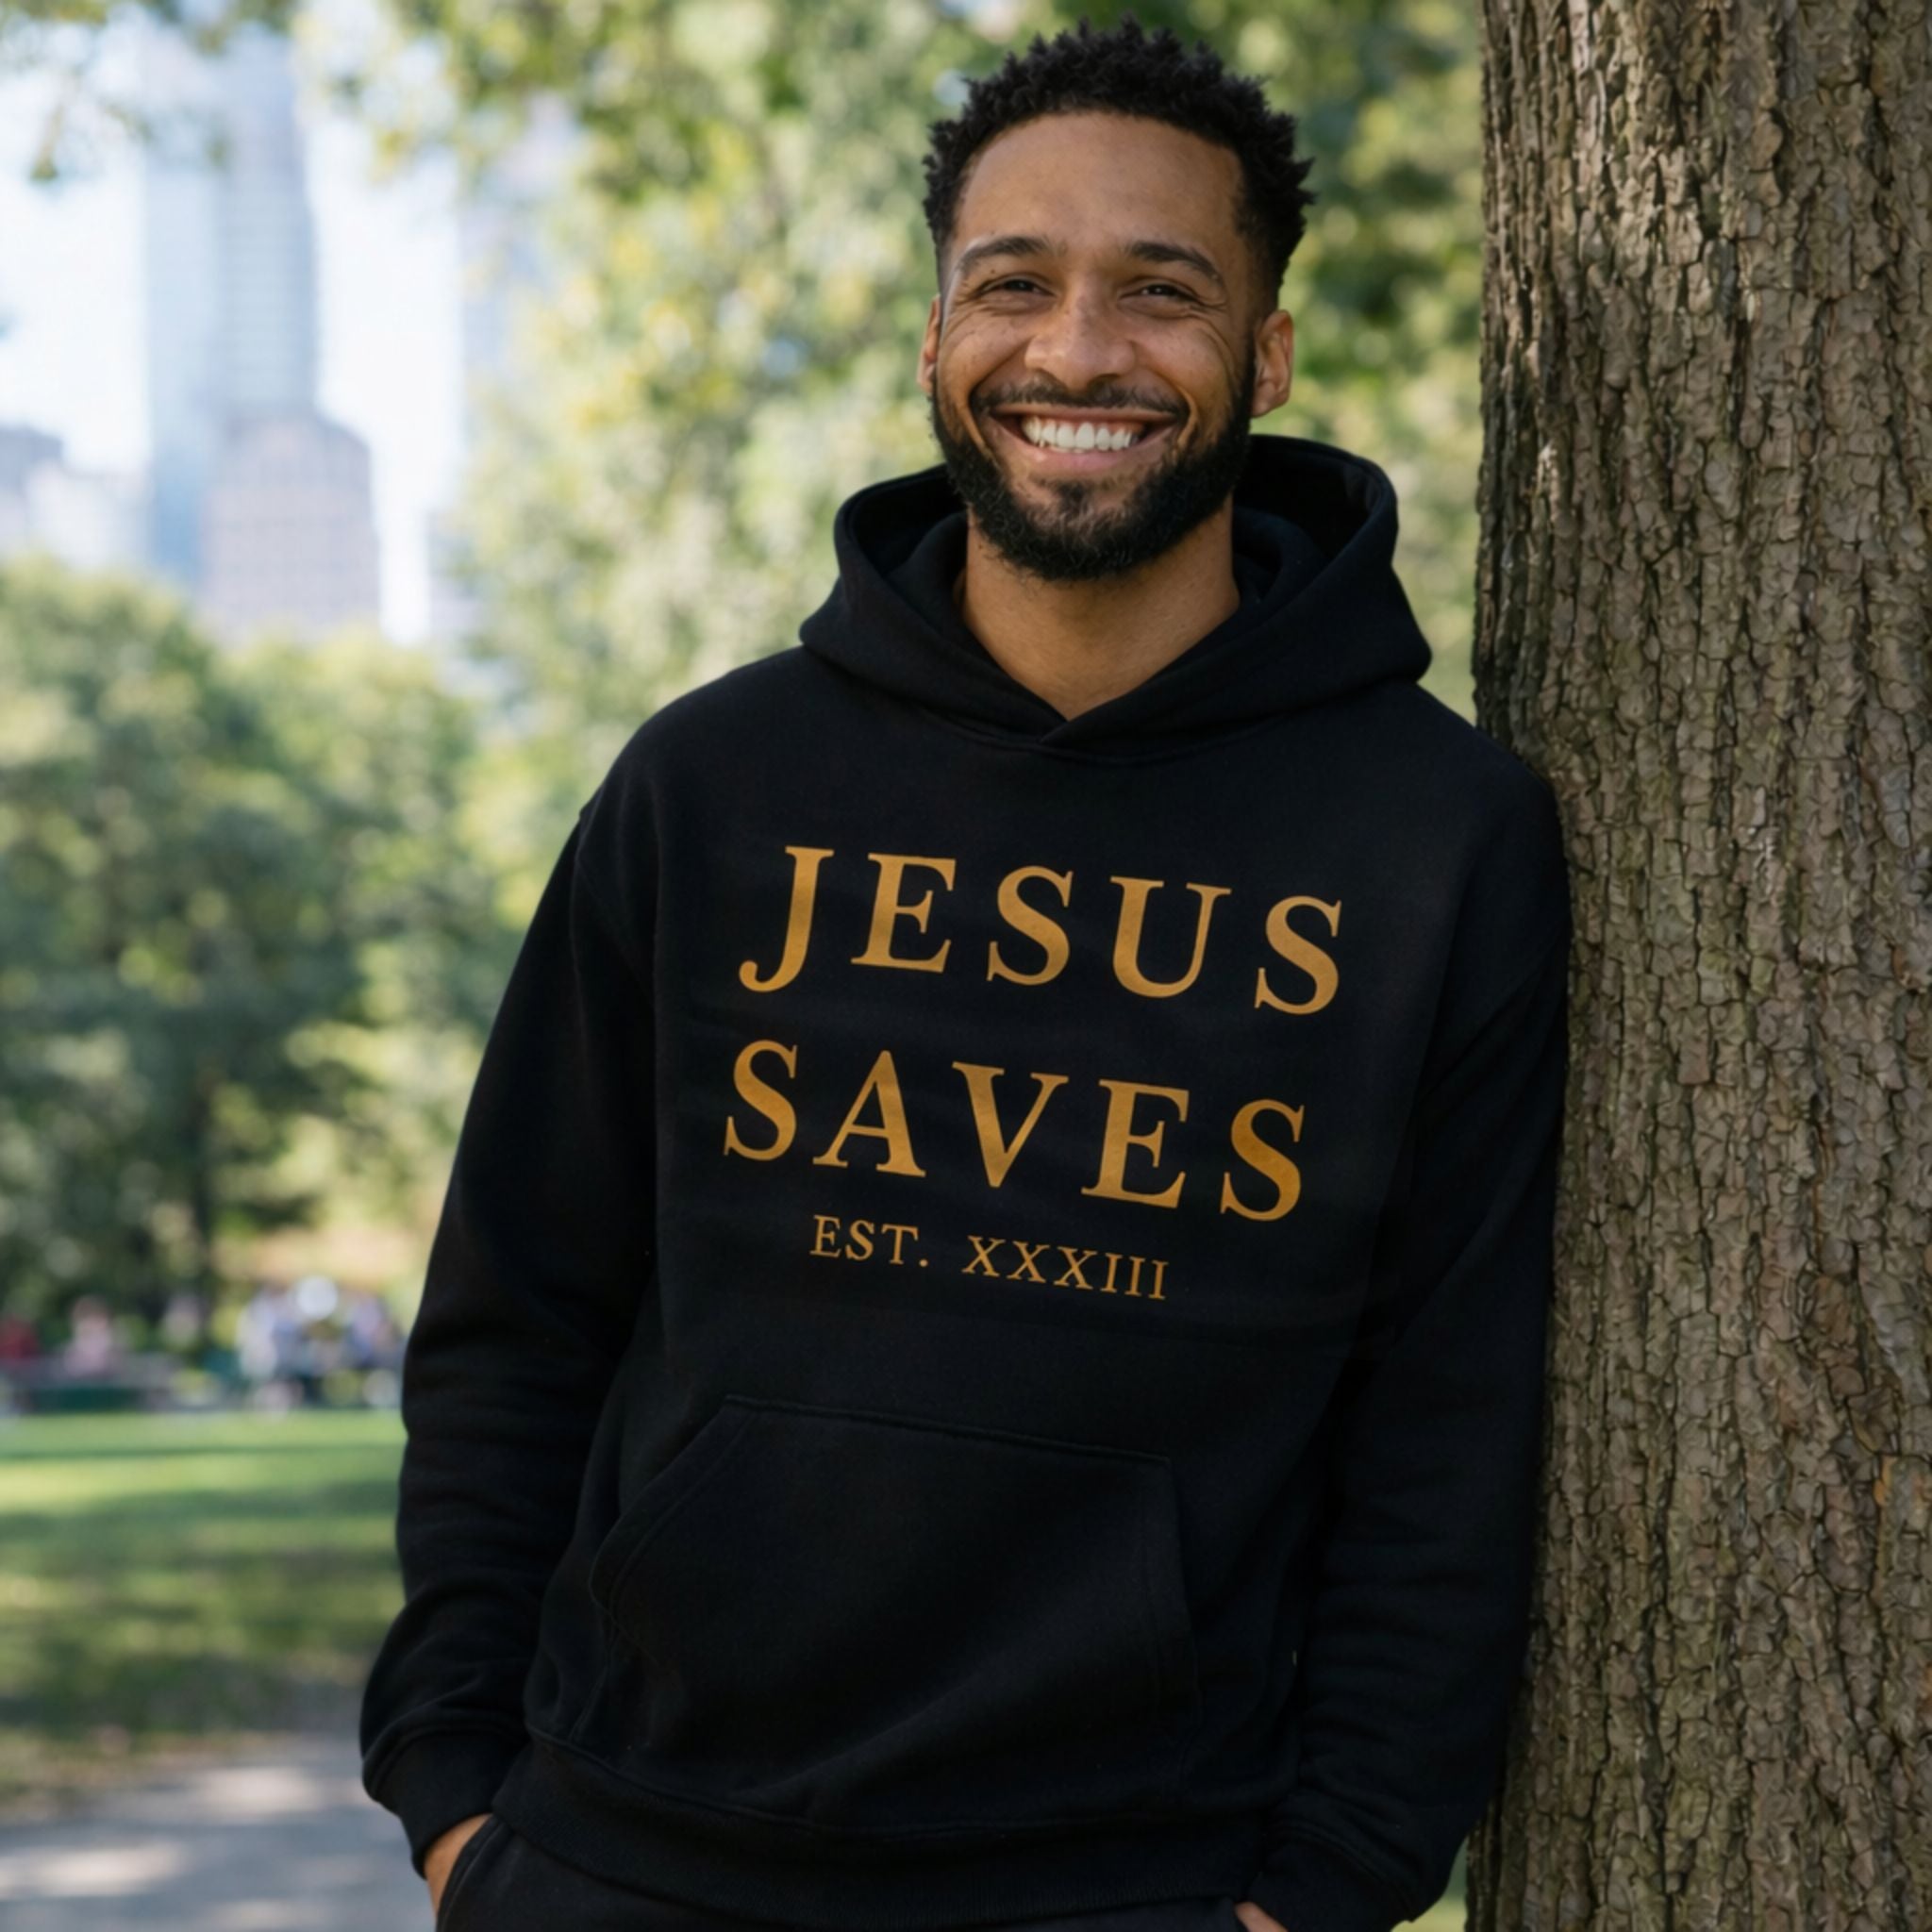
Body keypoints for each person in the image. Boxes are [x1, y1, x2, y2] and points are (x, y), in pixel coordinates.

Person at [358, 16, 1574, 1932]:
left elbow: (1449, 1417)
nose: (1079, 351)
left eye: (1159, 293)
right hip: (622, 1856)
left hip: (1133, 1888)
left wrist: (1323, 1887)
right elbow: (517, 1308)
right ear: (937, 342)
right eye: (1015, 286)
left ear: (1262, 354)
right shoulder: (712, 782)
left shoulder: (1436, 837)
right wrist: (455, 1796)